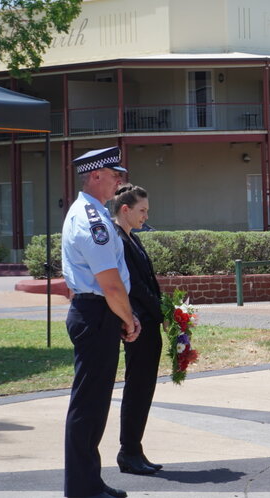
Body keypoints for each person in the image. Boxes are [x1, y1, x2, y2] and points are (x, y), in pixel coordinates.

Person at [62, 146, 139, 498]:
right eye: (114, 175)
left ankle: (88, 481)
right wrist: (129, 318)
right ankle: (82, 486)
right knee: (89, 404)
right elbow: (109, 283)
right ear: (95, 176)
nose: (119, 182)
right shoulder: (91, 219)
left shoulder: (93, 214)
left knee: (94, 404)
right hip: (97, 314)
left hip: (97, 313)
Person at [110, 184, 164, 476]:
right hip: (138, 326)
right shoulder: (118, 239)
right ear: (125, 210)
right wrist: (161, 312)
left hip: (149, 323)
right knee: (137, 388)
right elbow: (136, 289)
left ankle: (134, 448)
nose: (145, 216)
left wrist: (168, 311)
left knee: (143, 388)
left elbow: (149, 282)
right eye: (142, 210)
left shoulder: (133, 239)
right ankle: (128, 451)